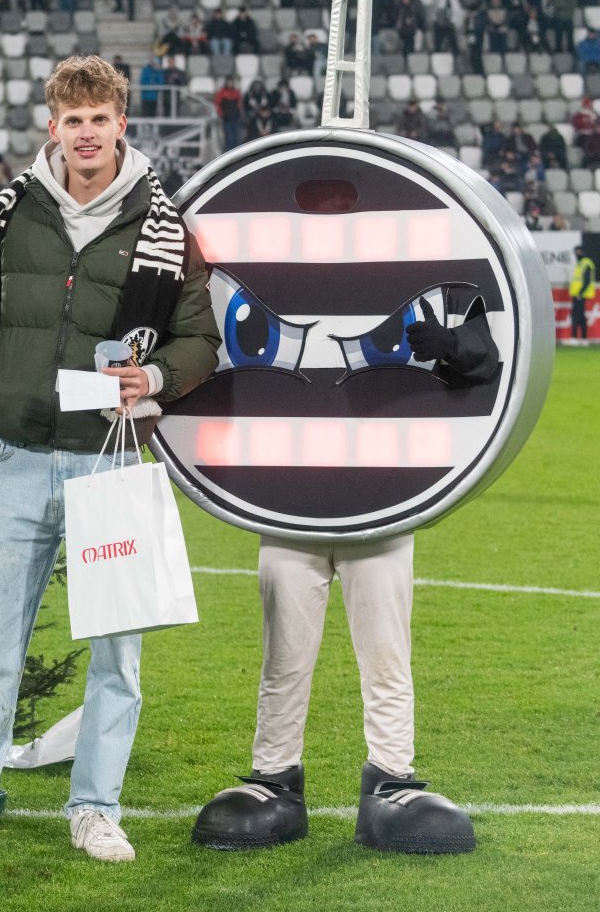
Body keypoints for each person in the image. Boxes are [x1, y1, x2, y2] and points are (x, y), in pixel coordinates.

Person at [0, 55, 220, 869]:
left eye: (100, 119)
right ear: (53, 128)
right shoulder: (14, 213)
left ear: (121, 125)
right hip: (18, 455)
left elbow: (200, 341)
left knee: (117, 657)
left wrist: (155, 377)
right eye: (74, 121)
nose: (87, 134)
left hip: (109, 458)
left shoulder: (164, 225)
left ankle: (96, 809)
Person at [192, 293, 498, 855]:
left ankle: (392, 776)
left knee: (385, 654)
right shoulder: (277, 272)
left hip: (382, 496)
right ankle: (274, 777)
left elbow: (492, 360)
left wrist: (454, 345)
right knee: (284, 656)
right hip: (289, 495)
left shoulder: (428, 270)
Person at [569, 244, 596, 345]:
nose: (577, 253)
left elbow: (587, 280)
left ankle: (576, 338)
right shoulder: (580, 263)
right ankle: (582, 338)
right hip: (577, 294)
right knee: (579, 316)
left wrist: (580, 293)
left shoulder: (586, 263)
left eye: (578, 251)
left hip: (581, 294)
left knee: (577, 316)